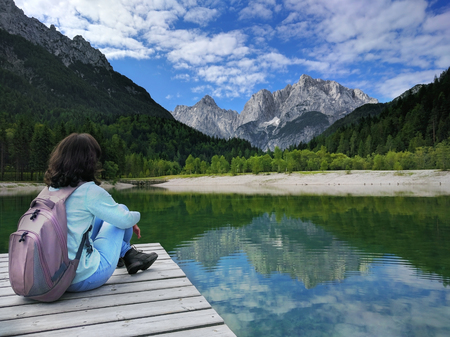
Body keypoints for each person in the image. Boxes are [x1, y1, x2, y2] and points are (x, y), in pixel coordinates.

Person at [44, 133, 157, 293]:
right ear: (88, 161)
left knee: (107, 216)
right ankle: (127, 254)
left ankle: (127, 254)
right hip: (80, 277)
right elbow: (125, 220)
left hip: (52, 275)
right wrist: (135, 217)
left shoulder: (50, 190)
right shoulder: (88, 190)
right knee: (123, 210)